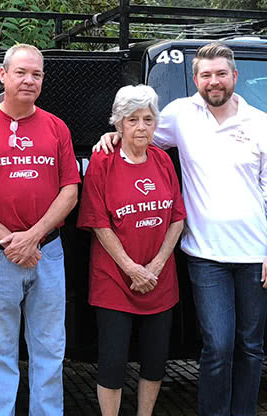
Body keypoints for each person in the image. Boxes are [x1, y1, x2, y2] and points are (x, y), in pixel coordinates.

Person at [95, 42, 267, 415]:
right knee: (217, 346)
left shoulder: (260, 122)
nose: (213, 82)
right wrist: (115, 134)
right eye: (205, 75)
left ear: (234, 76)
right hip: (205, 256)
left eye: (220, 74)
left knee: (251, 346)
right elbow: (142, 129)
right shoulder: (181, 114)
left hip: (255, 256)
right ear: (195, 80)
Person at [0, 43, 80, 416]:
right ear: (3, 75)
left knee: (49, 347)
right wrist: (8, 240)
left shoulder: (56, 127)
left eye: (37, 74)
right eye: (22, 73)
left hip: (48, 252)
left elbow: (70, 191)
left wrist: (32, 237)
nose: (29, 80)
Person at [78, 84, 186, 416]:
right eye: (133, 120)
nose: (141, 127)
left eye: (148, 119)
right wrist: (131, 268)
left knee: (155, 359)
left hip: (159, 279)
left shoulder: (163, 161)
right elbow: (98, 221)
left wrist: (154, 266)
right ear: (119, 124)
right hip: (115, 280)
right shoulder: (103, 160)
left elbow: (177, 219)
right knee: (112, 360)